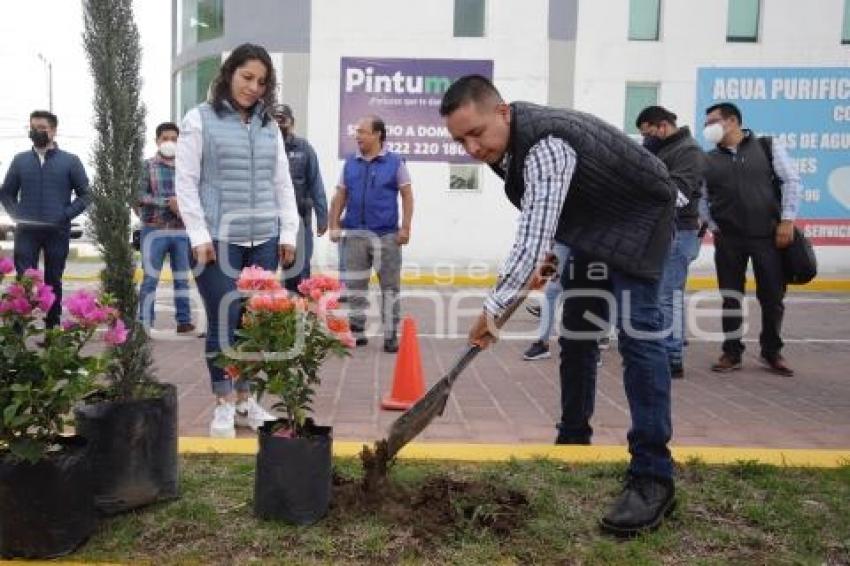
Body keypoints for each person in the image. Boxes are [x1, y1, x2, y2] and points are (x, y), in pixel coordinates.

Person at [441, 75, 677, 536]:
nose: (471, 147)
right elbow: (545, 215)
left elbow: (531, 236)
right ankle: (573, 439)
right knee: (578, 335)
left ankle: (653, 477)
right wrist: (546, 254)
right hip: (593, 228)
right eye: (460, 139)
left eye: (477, 133)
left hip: (642, 221)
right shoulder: (507, 150)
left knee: (639, 339)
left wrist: (492, 311)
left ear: (503, 112)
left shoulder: (546, 143)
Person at [175, 43, 300, 438]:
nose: (253, 87)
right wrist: (198, 234)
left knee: (251, 323)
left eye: (262, 82)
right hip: (216, 237)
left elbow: (281, 181)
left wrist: (290, 232)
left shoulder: (268, 126)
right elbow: (186, 183)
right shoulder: (200, 119)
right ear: (229, 74)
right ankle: (223, 402)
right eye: (247, 77)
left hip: (263, 237)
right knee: (223, 318)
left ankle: (247, 399)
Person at [700, 102, 801, 377]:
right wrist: (713, 225)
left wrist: (787, 220)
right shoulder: (707, 159)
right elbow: (702, 197)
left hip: (767, 236)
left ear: (732, 121)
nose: (707, 128)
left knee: (772, 296)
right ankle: (731, 352)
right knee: (731, 296)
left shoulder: (767, 147)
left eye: (712, 121)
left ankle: (771, 351)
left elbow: (791, 181)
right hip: (729, 239)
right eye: (706, 123)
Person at [328, 115, 414, 353]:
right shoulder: (350, 164)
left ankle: (390, 334)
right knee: (355, 285)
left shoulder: (395, 163)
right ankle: (357, 331)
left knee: (389, 287)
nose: (358, 136)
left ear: (378, 134)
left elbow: (407, 195)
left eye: (363, 132)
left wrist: (405, 227)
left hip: (386, 235)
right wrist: (334, 224)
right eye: (357, 132)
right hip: (355, 233)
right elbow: (340, 196)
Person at [0, 110, 90, 328]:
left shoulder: (70, 161)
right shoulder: (20, 160)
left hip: (57, 231)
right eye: (33, 128)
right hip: (27, 231)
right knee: (24, 280)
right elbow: (6, 193)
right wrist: (17, 213)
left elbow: (86, 195)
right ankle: (19, 329)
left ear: (53, 130)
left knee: (53, 280)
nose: (37, 132)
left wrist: (65, 215)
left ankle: (53, 328)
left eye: (42, 128)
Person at [636, 106, 706, 379]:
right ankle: (665, 351)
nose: (646, 138)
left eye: (648, 132)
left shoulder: (688, 151)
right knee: (664, 294)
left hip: (680, 231)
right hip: (666, 230)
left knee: (668, 296)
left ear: (662, 126)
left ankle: (671, 356)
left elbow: (678, 193)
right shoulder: (665, 149)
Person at [136, 121, 195, 334]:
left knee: (182, 278)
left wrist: (183, 205)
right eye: (165, 138)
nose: (169, 142)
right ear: (157, 141)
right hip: (154, 229)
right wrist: (167, 202)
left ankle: (184, 321)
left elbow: (194, 195)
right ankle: (145, 322)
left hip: (181, 231)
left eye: (174, 139)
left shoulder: (187, 168)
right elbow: (138, 195)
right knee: (150, 278)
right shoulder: (146, 166)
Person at [271, 104, 328, 293]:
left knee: (299, 274)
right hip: (268, 222)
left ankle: (300, 317)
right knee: (266, 274)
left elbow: (315, 183)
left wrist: (322, 217)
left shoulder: (304, 148)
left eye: (283, 120)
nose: (279, 124)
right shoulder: (264, 147)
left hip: (299, 222)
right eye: (275, 120)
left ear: (292, 123)